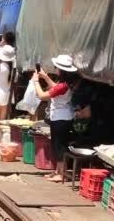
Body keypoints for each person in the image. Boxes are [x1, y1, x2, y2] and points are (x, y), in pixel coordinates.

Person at [31, 54, 81, 183]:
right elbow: (55, 88)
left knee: (59, 146)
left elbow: (42, 95)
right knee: (57, 144)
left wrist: (36, 81)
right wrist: (45, 77)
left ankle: (61, 173)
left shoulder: (62, 85)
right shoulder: (65, 84)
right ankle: (59, 171)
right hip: (62, 116)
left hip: (60, 118)